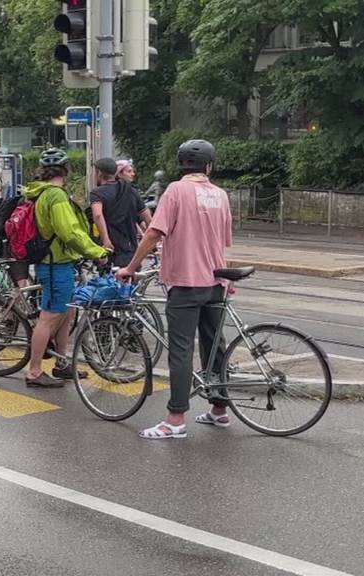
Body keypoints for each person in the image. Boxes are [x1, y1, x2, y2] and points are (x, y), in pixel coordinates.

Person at [117, 139, 232, 440]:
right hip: (216, 281)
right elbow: (222, 240)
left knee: (181, 350)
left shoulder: (176, 191)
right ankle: (219, 410)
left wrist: (131, 267)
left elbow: (155, 231)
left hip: (185, 282)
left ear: (181, 165)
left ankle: (175, 419)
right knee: (215, 344)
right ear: (209, 166)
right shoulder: (220, 195)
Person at [22, 149, 109, 388]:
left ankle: (61, 363)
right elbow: (68, 231)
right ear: (67, 170)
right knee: (48, 318)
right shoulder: (56, 196)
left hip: (59, 262)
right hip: (54, 265)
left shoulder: (44, 193)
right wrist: (96, 251)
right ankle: (34, 371)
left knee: (68, 312)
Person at [90, 157, 152, 268]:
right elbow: (146, 216)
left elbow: (98, 214)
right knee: (130, 281)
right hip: (130, 249)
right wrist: (152, 239)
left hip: (110, 249)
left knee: (109, 282)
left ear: (99, 173)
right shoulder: (130, 190)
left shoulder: (97, 193)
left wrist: (105, 239)